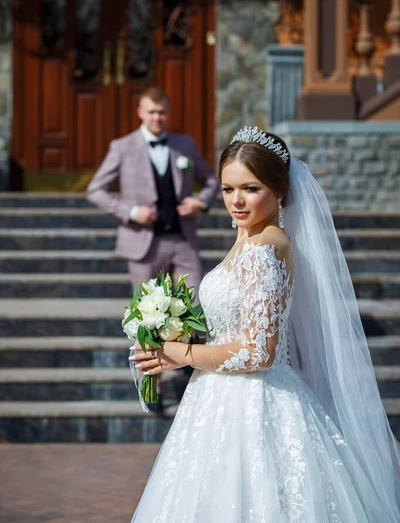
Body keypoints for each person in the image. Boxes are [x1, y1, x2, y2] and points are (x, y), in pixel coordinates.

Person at [129, 126, 400, 522]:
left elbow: (260, 351)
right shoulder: (250, 237)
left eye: (251, 189)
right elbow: (239, 327)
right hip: (217, 396)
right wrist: (179, 335)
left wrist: (179, 353)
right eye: (227, 189)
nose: (236, 201)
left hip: (256, 402)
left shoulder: (264, 248)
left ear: (279, 190)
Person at [87, 87, 219, 412]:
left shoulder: (184, 145)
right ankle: (151, 384)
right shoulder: (122, 147)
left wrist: (200, 201)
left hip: (182, 239)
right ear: (140, 113)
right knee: (148, 316)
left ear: (167, 113)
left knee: (197, 304)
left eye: (162, 112)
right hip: (143, 243)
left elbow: (212, 180)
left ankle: (193, 368)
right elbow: (96, 190)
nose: (157, 117)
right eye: (151, 112)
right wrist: (131, 212)